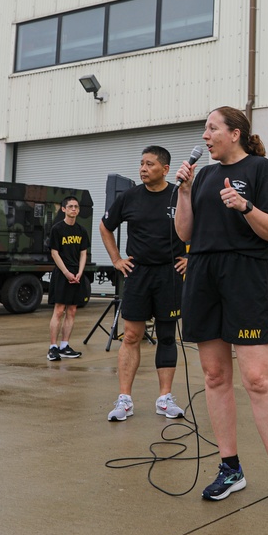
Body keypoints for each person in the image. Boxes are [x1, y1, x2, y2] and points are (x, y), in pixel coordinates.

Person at [175, 106, 268, 512]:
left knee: (257, 378)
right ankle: (230, 467)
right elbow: (184, 232)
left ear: (234, 133)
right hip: (202, 272)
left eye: (212, 128)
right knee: (215, 375)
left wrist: (245, 206)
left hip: (244, 273)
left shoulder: (260, 169)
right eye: (204, 129)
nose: (205, 136)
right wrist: (182, 190)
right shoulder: (203, 177)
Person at [101, 146, 187, 421]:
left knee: (166, 336)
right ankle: (124, 399)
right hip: (138, 274)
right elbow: (105, 226)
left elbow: (201, 224)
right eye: (141, 163)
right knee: (131, 336)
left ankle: (165, 398)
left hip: (170, 274)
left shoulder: (179, 195)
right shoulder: (129, 197)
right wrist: (116, 259)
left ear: (164, 169)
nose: (143, 168)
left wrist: (191, 255)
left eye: (149, 164)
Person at [46, 195, 88, 361]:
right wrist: (66, 273)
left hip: (76, 275)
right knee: (59, 310)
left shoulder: (81, 231)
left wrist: (79, 272)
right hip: (62, 274)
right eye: (70, 206)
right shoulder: (57, 229)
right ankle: (53, 347)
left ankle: (65, 345)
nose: (73, 209)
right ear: (63, 209)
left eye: (76, 207)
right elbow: (54, 253)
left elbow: (83, 253)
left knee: (72, 310)